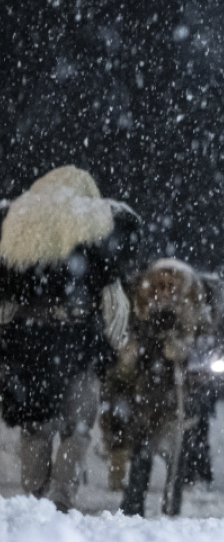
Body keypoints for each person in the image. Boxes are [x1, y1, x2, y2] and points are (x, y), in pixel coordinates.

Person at [0, 166, 141, 512]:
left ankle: (36, 502)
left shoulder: (13, 222)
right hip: (79, 340)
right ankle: (60, 500)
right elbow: (111, 290)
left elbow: (6, 296)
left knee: (36, 425)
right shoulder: (96, 221)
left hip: (26, 342)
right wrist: (117, 339)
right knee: (77, 427)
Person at [102, 258, 224, 516]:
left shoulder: (195, 311)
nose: (165, 290)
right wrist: (136, 352)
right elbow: (129, 351)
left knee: (178, 453)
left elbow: (204, 353)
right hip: (147, 392)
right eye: (160, 284)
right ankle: (133, 507)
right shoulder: (141, 309)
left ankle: (171, 506)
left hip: (180, 395)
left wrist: (183, 351)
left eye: (172, 284)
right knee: (142, 451)